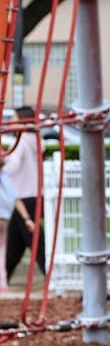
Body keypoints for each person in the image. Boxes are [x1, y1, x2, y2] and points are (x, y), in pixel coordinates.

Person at [4, 106, 45, 280]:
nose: (11, 122)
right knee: (15, 242)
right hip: (33, 194)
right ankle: (4, 274)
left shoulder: (20, 141)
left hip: (23, 196)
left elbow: (12, 167)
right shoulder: (35, 139)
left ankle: (50, 271)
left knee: (35, 241)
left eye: (14, 118)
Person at [0, 157, 35, 292]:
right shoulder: (4, 176)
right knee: (2, 250)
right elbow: (16, 198)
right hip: (2, 217)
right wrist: (27, 218)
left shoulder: (4, 176)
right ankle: (2, 283)